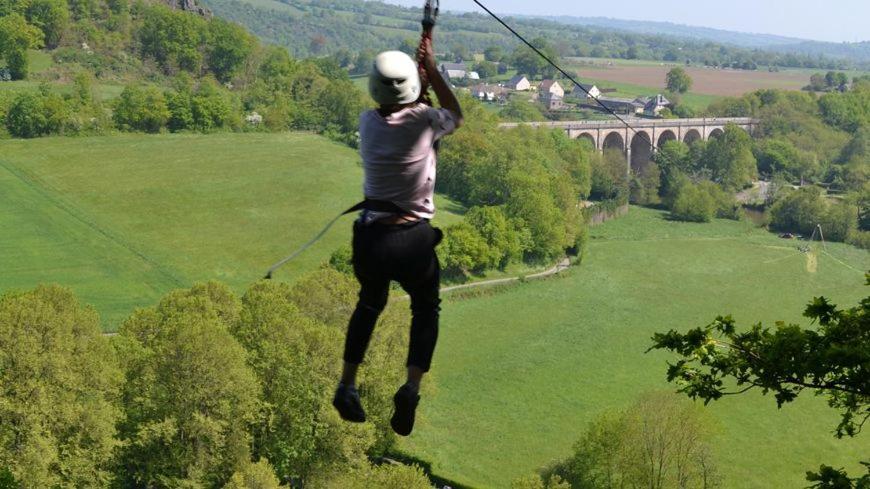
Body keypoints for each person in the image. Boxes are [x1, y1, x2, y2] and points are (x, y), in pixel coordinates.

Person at [332, 38, 463, 436]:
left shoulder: (366, 122)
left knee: (369, 305)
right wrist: (434, 69)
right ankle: (410, 387)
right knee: (425, 310)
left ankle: (347, 383)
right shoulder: (427, 121)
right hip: (413, 241)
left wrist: (417, 77)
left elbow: (404, 107)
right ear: (414, 90)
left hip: (372, 239)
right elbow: (453, 113)